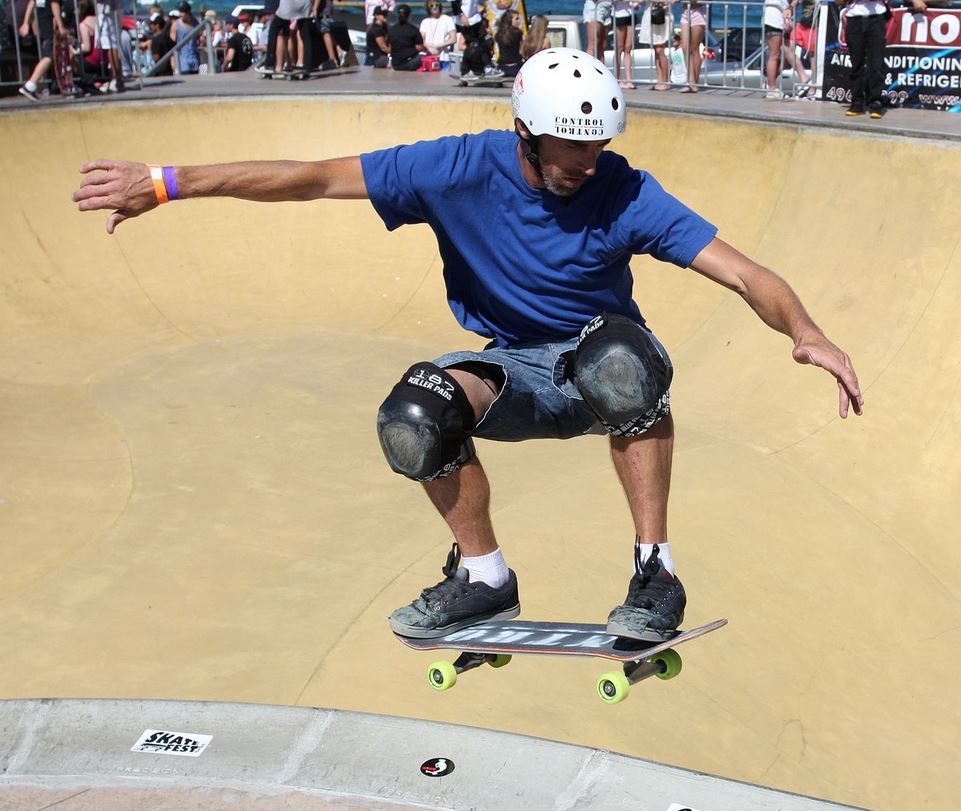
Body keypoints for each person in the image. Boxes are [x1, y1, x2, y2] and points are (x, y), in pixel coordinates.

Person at [72, 47, 864, 643]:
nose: (584, 165)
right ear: (524, 132)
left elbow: (742, 271)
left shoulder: (625, 189)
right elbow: (312, 177)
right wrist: (170, 182)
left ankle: (655, 574)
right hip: (510, 369)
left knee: (619, 363)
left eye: (595, 147)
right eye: (567, 147)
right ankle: (484, 577)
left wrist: (806, 333)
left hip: (598, 365)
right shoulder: (453, 167)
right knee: (412, 414)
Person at [841, 0, 925, 118]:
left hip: (876, 19)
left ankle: (876, 102)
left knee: (876, 63)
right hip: (854, 19)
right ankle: (856, 102)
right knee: (856, 63)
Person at [18, 0, 67, 101]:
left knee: (51, 53)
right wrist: (61, 26)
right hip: (49, 21)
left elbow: (32, 2)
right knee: (49, 55)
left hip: (43, 20)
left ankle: (63, 85)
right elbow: (54, 4)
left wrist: (26, 23)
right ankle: (30, 85)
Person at [639, 1, 672, 90]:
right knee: (656, 51)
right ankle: (659, 80)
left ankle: (665, 81)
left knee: (660, 50)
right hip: (651, 13)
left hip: (662, 14)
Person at [94, 0, 125, 91]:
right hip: (109, 10)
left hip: (108, 11)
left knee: (110, 44)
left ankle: (116, 78)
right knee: (111, 43)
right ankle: (116, 77)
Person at [679, 0, 706, 93]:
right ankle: (690, 81)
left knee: (694, 48)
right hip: (685, 11)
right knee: (684, 47)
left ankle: (694, 82)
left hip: (697, 12)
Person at [387, 3, 424, 70]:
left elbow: (390, 47)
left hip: (395, 64)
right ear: (409, 15)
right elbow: (420, 47)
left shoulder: (392, 29)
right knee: (423, 57)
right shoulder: (413, 30)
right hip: (410, 63)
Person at [763, 0, 788, 98]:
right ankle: (771, 88)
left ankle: (770, 82)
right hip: (774, 22)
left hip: (779, 22)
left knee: (783, 56)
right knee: (774, 55)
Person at [170, 1, 199, 74]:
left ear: (188, 12)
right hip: (182, 58)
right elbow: (171, 44)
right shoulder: (176, 24)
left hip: (194, 57)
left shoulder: (195, 23)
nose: (181, 14)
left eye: (182, 11)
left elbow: (199, 39)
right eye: (180, 11)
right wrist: (173, 59)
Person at [494, 9, 522, 77]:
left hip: (502, 67)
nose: (519, 21)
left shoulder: (498, 34)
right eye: (516, 19)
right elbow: (522, 50)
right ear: (510, 20)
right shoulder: (518, 33)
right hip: (516, 66)